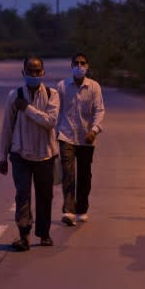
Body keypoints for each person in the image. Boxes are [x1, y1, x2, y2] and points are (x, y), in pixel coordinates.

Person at [0, 56, 60, 251]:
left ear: (43, 72)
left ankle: (44, 234)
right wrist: (2, 157)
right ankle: (23, 235)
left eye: (37, 71)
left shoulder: (52, 94)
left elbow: (50, 121)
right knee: (22, 194)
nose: (34, 74)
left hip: (45, 154)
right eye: (30, 71)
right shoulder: (13, 96)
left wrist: (27, 109)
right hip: (20, 154)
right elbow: (7, 127)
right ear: (23, 73)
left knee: (45, 196)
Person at [56, 53, 106, 226]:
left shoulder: (94, 87)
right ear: (71, 66)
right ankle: (68, 210)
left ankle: (82, 209)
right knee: (68, 173)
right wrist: (54, 133)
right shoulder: (62, 86)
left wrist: (94, 130)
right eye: (76, 63)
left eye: (82, 63)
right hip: (66, 135)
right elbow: (56, 111)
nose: (79, 66)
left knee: (85, 176)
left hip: (87, 138)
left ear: (87, 66)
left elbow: (99, 111)